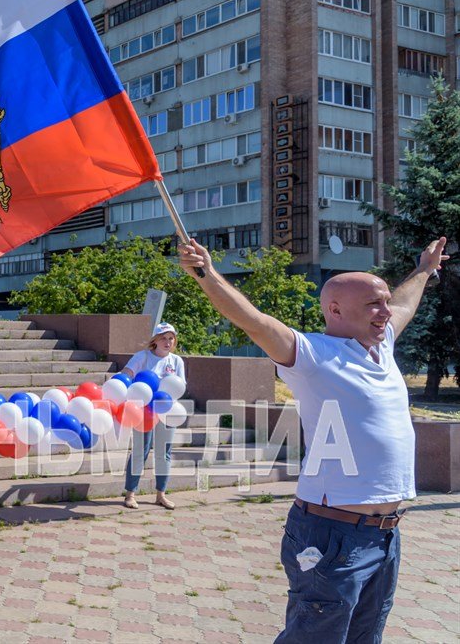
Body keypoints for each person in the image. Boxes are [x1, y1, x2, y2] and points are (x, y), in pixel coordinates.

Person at [177, 235, 448, 642]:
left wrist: (425, 270)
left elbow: (406, 302)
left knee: (363, 637)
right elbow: (253, 320)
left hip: (385, 535)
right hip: (332, 535)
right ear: (335, 310)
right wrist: (206, 273)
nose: (386, 311)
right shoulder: (312, 355)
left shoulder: (382, 344)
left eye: (384, 302)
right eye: (374, 303)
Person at [121, 322, 186, 510]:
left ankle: (161, 495)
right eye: (163, 338)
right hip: (144, 411)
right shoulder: (142, 357)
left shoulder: (176, 361)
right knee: (141, 451)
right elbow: (127, 373)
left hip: (167, 410)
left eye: (171, 338)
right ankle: (130, 494)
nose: (168, 342)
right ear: (155, 340)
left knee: (164, 453)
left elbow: (180, 385)